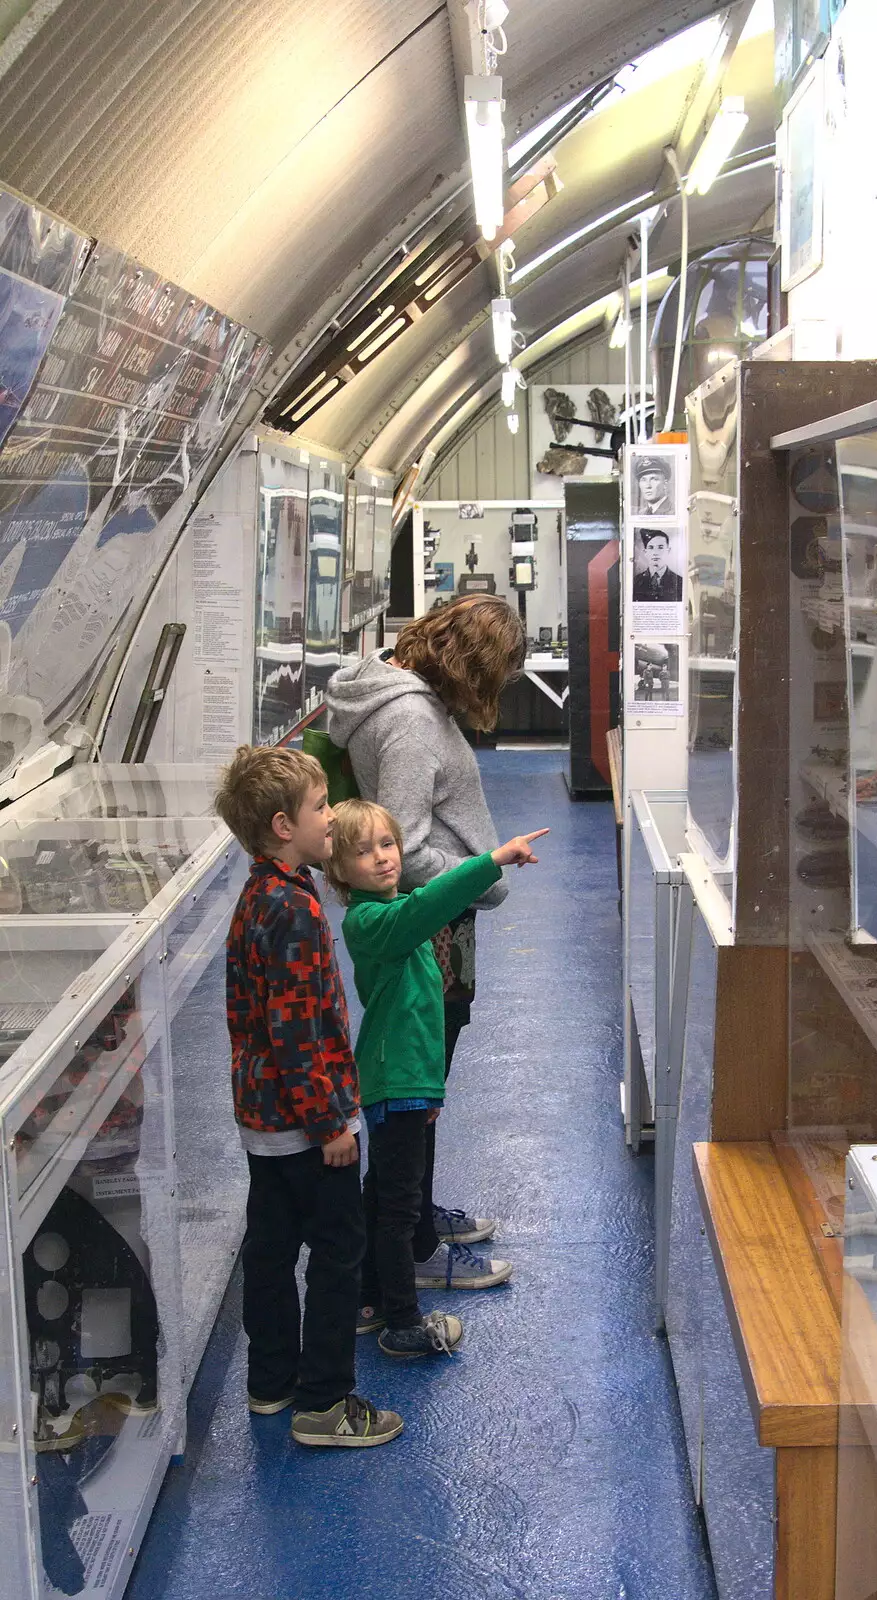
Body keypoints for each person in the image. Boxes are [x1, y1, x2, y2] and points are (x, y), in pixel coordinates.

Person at [325, 595, 525, 1301]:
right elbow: (403, 846)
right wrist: (480, 877)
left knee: (424, 1094)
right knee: (413, 1100)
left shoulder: (396, 694)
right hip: (430, 930)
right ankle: (409, 1245)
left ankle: (413, 1221)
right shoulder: (410, 720)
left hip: (438, 923)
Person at [214, 745, 402, 1449]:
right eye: (320, 808)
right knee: (337, 1250)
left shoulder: (260, 893)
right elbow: (295, 1031)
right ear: (281, 825)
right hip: (306, 1123)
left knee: (270, 1246)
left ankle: (271, 1383)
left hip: (264, 1119)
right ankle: (324, 1402)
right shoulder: (292, 909)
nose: (331, 818)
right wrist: (330, 1123)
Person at [324, 800, 546, 1358]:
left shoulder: (394, 913)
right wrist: (491, 860)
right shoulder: (375, 922)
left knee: (384, 1198)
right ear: (339, 871)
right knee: (398, 1210)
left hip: (408, 1083)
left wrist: (432, 1091)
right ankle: (403, 1321)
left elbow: (421, 1018)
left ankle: (371, 1297)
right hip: (393, 1083)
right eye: (362, 851)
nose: (381, 858)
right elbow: (432, 903)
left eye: (387, 844)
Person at [632, 530, 683, 602]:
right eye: (651, 547)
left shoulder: (680, 582)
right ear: (645, 552)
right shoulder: (635, 582)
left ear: (668, 551)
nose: (655, 553)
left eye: (660, 547)